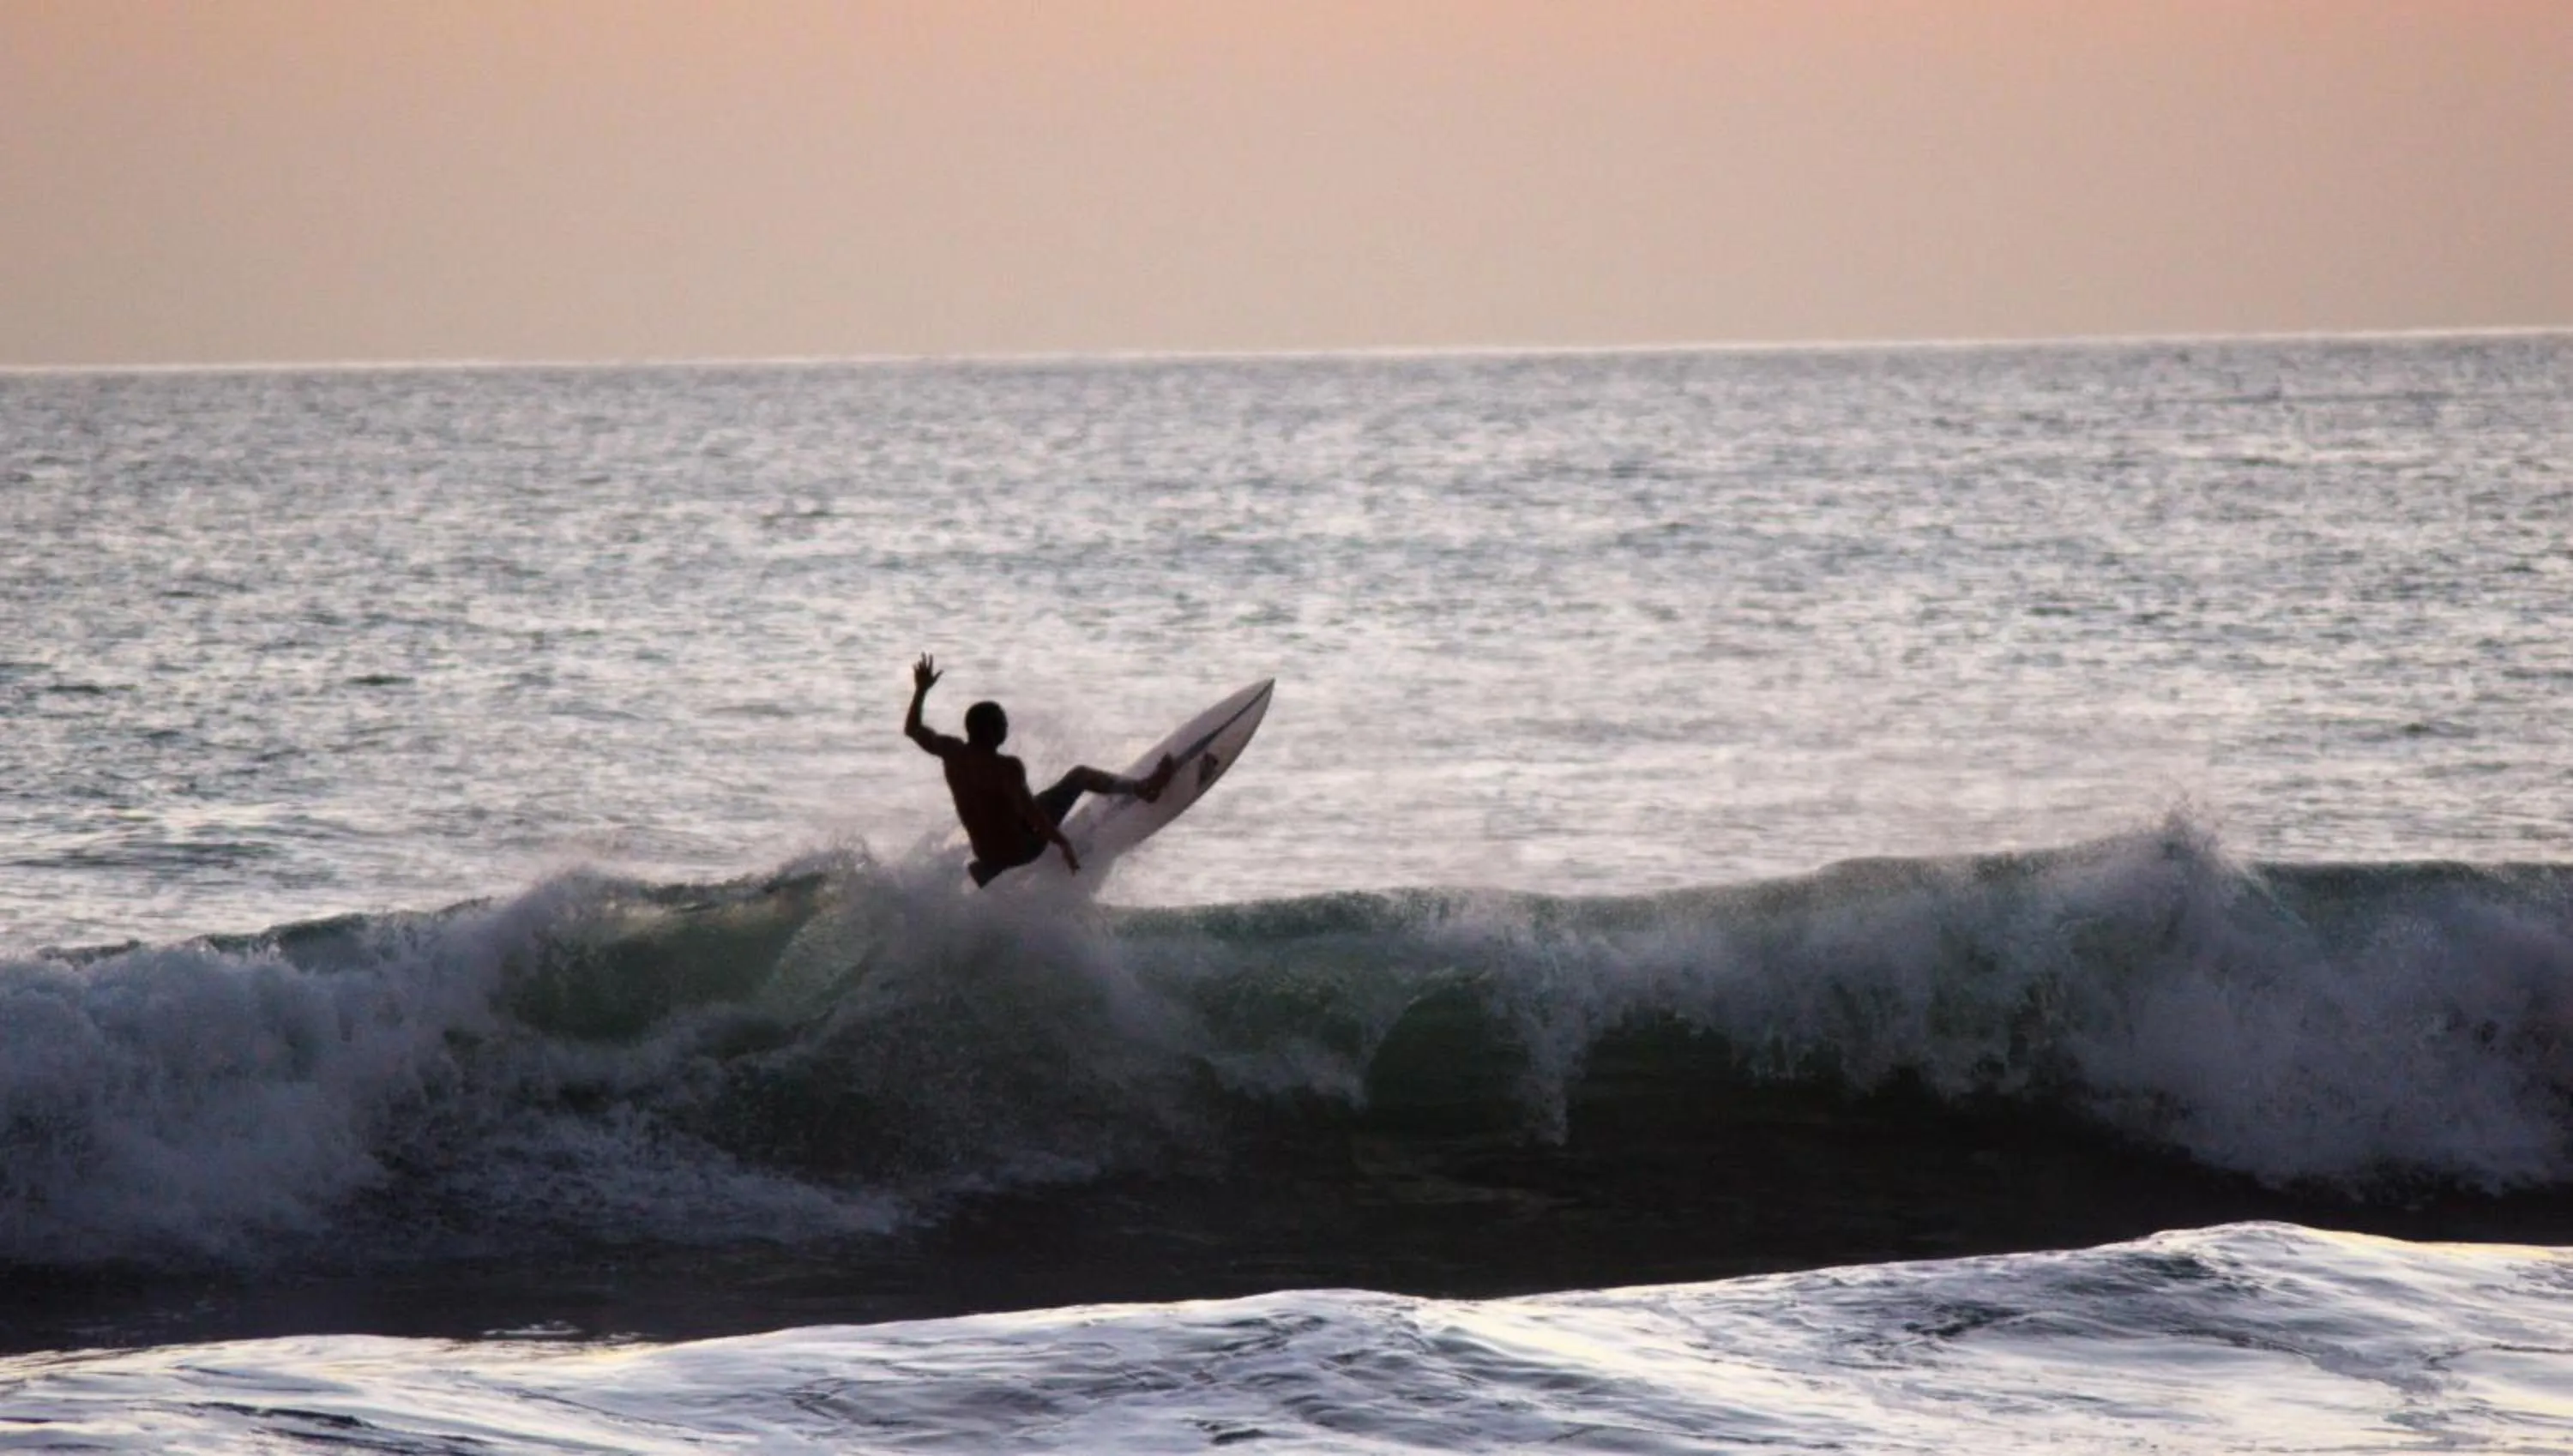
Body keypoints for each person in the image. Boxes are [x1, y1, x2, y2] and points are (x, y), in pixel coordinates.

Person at [905, 653, 1175, 886]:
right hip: (1022, 850)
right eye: (1002, 723)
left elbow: (913, 729)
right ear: (990, 730)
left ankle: (990, 870)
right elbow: (1032, 815)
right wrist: (1062, 843)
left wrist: (921, 691)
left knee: (1003, 810)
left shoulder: (952, 752)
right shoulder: (1006, 768)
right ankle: (1146, 788)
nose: (1006, 728)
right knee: (1078, 776)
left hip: (985, 853)